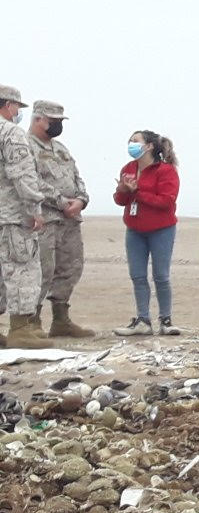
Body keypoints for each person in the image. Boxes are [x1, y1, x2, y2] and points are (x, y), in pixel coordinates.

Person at [29, 101, 91, 338]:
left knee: (70, 267)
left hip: (70, 221)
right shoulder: (25, 147)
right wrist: (62, 203)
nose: (58, 126)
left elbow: (77, 176)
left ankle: (61, 319)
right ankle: (32, 322)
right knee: (43, 269)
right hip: (45, 219)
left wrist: (81, 200)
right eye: (53, 121)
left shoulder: (61, 148)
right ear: (38, 119)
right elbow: (30, 181)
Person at [112, 130, 180, 337]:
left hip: (161, 230)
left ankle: (166, 321)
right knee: (138, 276)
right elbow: (120, 200)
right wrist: (124, 190)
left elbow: (166, 201)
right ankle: (143, 320)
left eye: (135, 141)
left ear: (149, 146)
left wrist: (137, 193)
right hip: (135, 230)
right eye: (130, 140)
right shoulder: (128, 169)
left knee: (161, 276)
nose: (131, 144)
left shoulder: (166, 171)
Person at [0, 86, 50, 350]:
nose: (18, 112)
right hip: (12, 216)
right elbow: (22, 174)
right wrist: (34, 209)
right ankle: (20, 327)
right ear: (8, 105)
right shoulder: (10, 133)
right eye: (17, 107)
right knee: (21, 269)